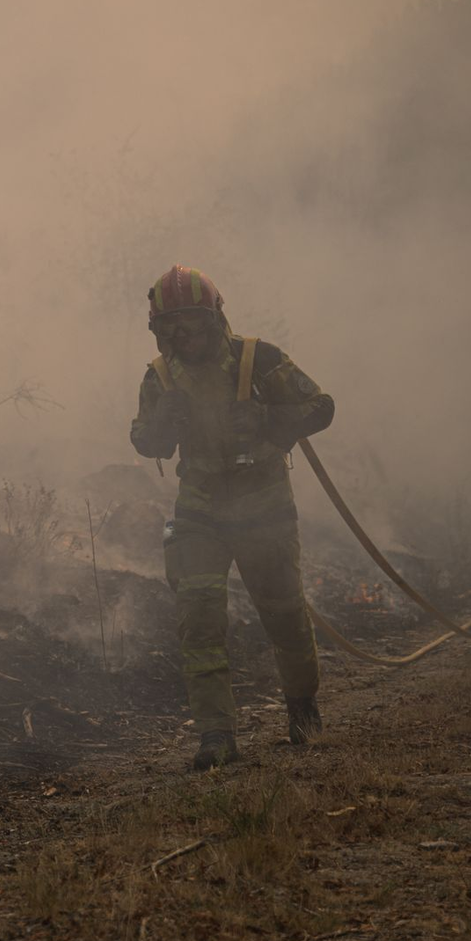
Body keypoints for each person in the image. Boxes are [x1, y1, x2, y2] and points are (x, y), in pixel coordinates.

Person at [130, 265, 335, 770]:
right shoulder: (159, 376)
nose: (182, 337)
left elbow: (321, 406)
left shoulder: (258, 359)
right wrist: (162, 423)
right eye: (168, 327)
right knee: (198, 622)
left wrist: (269, 418)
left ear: (216, 318)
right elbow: (143, 440)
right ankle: (216, 736)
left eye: (191, 324)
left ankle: (302, 706)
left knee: (284, 613)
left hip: (263, 507)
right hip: (199, 511)